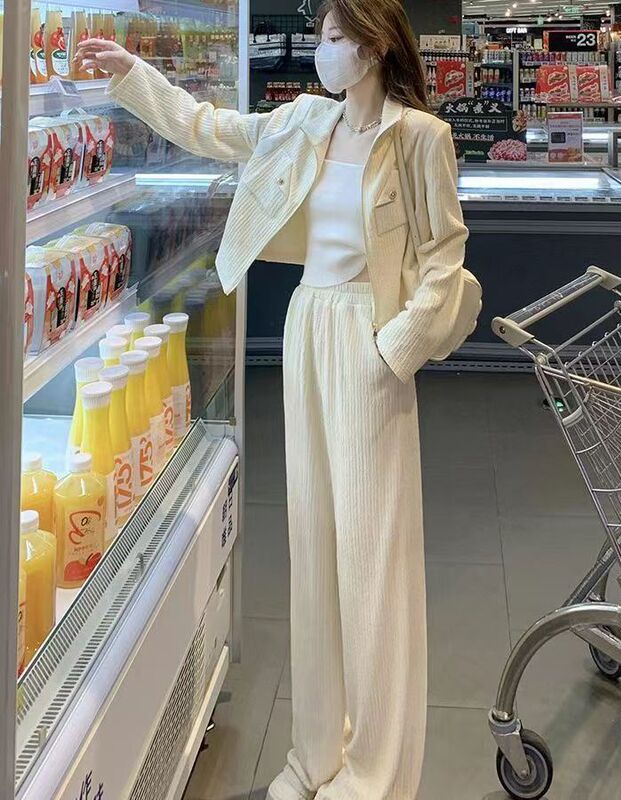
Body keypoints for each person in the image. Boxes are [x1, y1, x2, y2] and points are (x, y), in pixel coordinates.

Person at [75, 2, 468, 798]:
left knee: (371, 555)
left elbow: (445, 259)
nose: (322, 51)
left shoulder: (421, 137)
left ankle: (376, 772)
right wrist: (133, 76)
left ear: (373, 46)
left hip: (368, 332)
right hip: (308, 323)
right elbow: (209, 127)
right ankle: (315, 754)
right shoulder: (305, 123)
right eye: (322, 38)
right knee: (312, 548)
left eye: (333, 39)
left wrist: (392, 351)